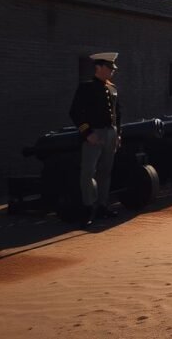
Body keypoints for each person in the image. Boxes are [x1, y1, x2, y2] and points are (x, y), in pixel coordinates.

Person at [69, 52, 122, 227]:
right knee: (88, 173)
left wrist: (118, 134)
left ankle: (102, 206)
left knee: (105, 172)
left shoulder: (112, 88)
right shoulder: (87, 87)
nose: (112, 71)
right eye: (109, 68)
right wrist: (87, 133)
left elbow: (117, 113)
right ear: (98, 67)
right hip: (94, 134)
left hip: (110, 133)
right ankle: (88, 207)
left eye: (112, 68)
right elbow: (75, 112)